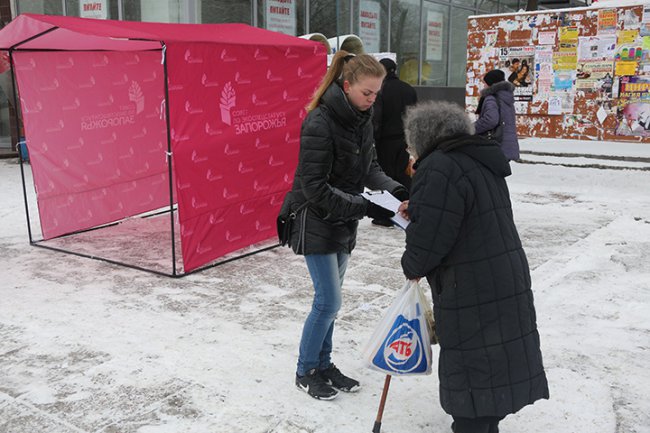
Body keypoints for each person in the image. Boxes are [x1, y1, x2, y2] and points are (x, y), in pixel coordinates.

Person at [399, 101, 549, 433]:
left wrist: (411, 262)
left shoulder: (438, 167)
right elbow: (464, 213)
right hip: (500, 278)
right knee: (493, 367)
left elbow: (425, 249)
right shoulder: (477, 159)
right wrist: (423, 208)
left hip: (470, 287)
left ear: (423, 138)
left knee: (473, 382)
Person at [278, 50, 409, 400]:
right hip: (315, 219)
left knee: (330, 304)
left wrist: (397, 192)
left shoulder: (361, 118)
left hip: (343, 220)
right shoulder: (319, 122)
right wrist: (364, 206)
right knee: (327, 302)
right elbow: (314, 187)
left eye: (376, 94)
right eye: (367, 93)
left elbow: (370, 167)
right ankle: (305, 370)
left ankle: (324, 364)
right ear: (347, 85)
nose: (372, 99)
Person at [371, 58, 417, 226]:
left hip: (386, 140)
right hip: (405, 138)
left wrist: (373, 138)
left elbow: (377, 117)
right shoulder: (408, 89)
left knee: (386, 176)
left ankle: (388, 214)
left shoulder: (381, 89)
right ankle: (410, 208)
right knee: (403, 175)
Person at [474, 69, 520, 161]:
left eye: (485, 83)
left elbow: (490, 120)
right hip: (508, 145)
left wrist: (472, 128)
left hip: (496, 144)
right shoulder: (507, 97)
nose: (484, 86)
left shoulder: (491, 98)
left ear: (491, 84)